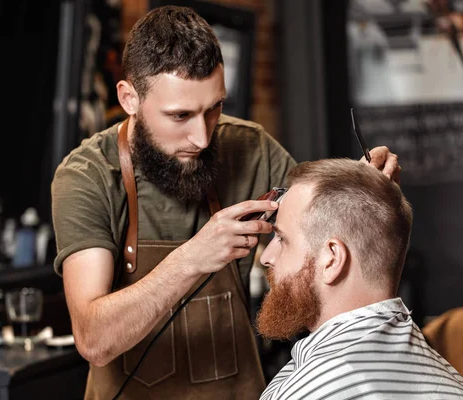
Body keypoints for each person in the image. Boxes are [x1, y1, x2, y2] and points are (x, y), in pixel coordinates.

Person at [51, 6, 400, 399]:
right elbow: (94, 339)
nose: (201, 138)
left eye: (214, 108)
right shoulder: (87, 177)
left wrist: (361, 188)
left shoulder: (251, 149)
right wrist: (195, 257)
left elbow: (324, 237)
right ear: (129, 98)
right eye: (180, 115)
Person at [257, 158, 463, 400]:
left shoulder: (310, 392)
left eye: (282, 239)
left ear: (332, 259)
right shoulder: (450, 383)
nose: (266, 257)